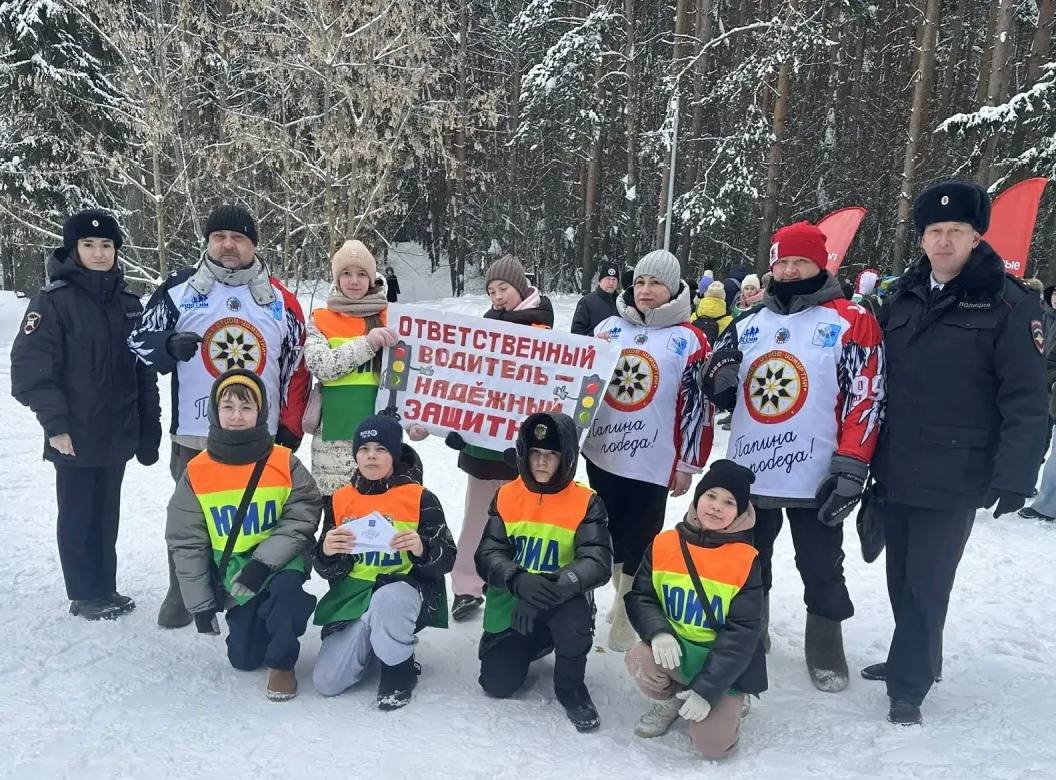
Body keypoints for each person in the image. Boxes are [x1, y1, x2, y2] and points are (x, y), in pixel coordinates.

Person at [865, 181, 1047, 724]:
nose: (943, 242)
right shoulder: (901, 296)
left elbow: (1026, 398)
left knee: (928, 580)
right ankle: (917, 654)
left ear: (975, 236)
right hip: (895, 463)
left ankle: (909, 684)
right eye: (934, 232)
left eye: (956, 232)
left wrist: (1016, 474)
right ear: (922, 238)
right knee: (900, 576)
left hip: (957, 468)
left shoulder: (1010, 303)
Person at [702, 220, 884, 693]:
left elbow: (867, 396)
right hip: (750, 472)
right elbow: (715, 379)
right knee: (746, 558)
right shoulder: (749, 321)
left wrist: (852, 464)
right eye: (781, 261)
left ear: (820, 263)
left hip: (816, 472)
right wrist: (716, 378)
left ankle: (825, 638)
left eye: (799, 260)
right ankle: (750, 626)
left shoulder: (850, 319)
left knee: (821, 563)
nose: (789, 269)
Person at [129, 204, 310, 629]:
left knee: (253, 516)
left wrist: (290, 423)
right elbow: (139, 341)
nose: (228, 245)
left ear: (253, 245)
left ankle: (244, 592)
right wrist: (167, 348)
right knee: (192, 519)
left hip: (261, 438)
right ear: (208, 242)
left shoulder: (281, 300)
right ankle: (185, 592)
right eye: (219, 237)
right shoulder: (179, 290)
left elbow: (297, 366)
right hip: (196, 434)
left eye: (239, 238)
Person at [11, 208, 162, 621]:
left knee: (106, 513)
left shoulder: (130, 304)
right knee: (78, 515)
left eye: (107, 245)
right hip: (74, 435)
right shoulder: (53, 303)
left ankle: (105, 586)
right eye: (89, 245)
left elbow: (143, 370)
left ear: (116, 251)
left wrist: (150, 428)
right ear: (74, 250)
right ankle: (83, 592)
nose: (99, 253)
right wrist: (55, 426)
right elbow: (29, 372)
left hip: (117, 432)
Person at [581, 249, 714, 651]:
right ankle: (618, 595)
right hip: (603, 451)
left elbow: (697, 407)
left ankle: (626, 611)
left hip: (653, 458)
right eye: (640, 282)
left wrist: (688, 463)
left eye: (655, 282)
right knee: (609, 530)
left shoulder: (690, 339)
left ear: (673, 288)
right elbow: (581, 381)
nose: (645, 290)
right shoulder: (607, 327)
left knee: (641, 535)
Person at [165, 370, 321, 700]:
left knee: (286, 598)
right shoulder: (197, 471)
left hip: (280, 563)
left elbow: (303, 514)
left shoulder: (283, 461)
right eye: (228, 406)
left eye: (247, 407)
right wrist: (202, 605)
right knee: (245, 659)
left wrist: (264, 564)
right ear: (215, 411)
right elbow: (186, 539)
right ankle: (259, 620)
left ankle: (282, 664)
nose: (237, 415)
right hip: (234, 572)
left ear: (261, 412)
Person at [475, 412, 612, 731]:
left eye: (551, 454)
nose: (541, 462)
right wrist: (518, 580)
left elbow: (597, 562)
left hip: (561, 597)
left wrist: (550, 588)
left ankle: (571, 687)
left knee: (574, 622)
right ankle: (533, 641)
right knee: (496, 684)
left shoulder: (586, 501)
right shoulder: (507, 494)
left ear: (566, 457)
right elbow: (487, 553)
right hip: (515, 598)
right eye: (535, 452)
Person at [624, 459, 766, 759]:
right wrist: (657, 632)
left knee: (713, 748)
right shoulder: (665, 543)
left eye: (729, 502)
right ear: (697, 497)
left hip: (723, 665)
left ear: (740, 512)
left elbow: (742, 634)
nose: (716, 506)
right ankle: (670, 700)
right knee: (640, 656)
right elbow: (641, 597)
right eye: (711, 496)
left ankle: (730, 702)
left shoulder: (746, 559)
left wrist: (707, 690)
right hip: (676, 650)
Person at [312, 415, 455, 709]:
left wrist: (422, 548)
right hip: (354, 599)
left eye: (381, 449)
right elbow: (329, 569)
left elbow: (447, 557)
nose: (371, 456)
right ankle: (376, 638)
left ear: (394, 453)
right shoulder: (340, 499)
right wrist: (326, 551)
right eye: (364, 449)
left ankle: (399, 670)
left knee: (388, 600)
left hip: (403, 593)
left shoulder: (420, 497)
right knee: (327, 683)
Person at [444, 255, 555, 622]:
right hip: (483, 441)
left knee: (519, 520)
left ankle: (512, 583)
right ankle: (466, 585)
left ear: (520, 287)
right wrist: (456, 421)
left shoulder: (544, 329)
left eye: (503, 288)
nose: (496, 296)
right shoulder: (487, 326)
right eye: (491, 290)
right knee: (476, 515)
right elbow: (468, 379)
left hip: (523, 444)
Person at [303, 240, 411, 522]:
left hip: (381, 447)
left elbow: (413, 380)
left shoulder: (394, 319)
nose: (354, 281)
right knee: (337, 526)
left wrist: (418, 421)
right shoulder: (321, 319)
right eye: (347, 273)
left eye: (362, 274)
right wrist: (368, 343)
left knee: (382, 523)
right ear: (336, 277)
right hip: (333, 448)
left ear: (372, 278)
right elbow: (320, 365)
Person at [570, 260, 619, 336]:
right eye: (608, 279)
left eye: (614, 280)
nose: (611, 283)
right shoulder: (586, 302)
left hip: (616, 347)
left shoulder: (622, 303)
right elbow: (576, 333)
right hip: (593, 346)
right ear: (600, 281)